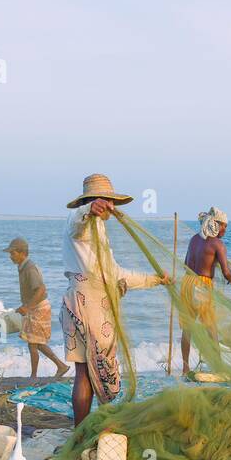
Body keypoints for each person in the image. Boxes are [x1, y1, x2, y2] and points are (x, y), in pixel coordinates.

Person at [59, 173, 169, 427]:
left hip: (75, 303)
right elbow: (77, 225)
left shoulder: (98, 230)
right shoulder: (82, 222)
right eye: (104, 201)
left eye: (109, 201)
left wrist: (155, 279)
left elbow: (117, 273)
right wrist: (88, 210)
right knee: (92, 372)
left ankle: (82, 430)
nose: (109, 206)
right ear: (92, 201)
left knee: (85, 373)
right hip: (90, 306)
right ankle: (86, 430)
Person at [180, 206, 231, 375]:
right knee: (211, 328)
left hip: (187, 282)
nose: (225, 230)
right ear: (215, 224)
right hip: (203, 286)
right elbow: (226, 271)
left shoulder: (193, 239)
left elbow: (185, 263)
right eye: (224, 226)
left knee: (188, 327)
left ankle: (185, 368)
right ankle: (219, 367)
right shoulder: (218, 244)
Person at [4, 237, 69, 379]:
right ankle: (57, 367)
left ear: (22, 253)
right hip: (34, 307)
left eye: (12, 253)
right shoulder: (23, 267)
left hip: (38, 308)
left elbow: (41, 290)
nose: (10, 256)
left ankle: (36, 375)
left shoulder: (29, 268)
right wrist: (25, 306)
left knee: (34, 343)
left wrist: (27, 307)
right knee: (34, 343)